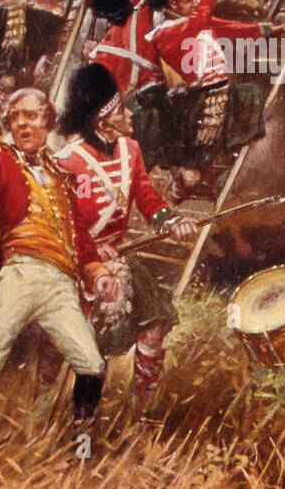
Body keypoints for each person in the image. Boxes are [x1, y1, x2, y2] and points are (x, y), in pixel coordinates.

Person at [0, 5, 116, 441]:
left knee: (91, 364)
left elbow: (81, 240)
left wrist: (99, 271)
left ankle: (81, 443)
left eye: (32, 116)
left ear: (48, 122)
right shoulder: (0, 162)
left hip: (59, 284)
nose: (23, 123)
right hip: (18, 275)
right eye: (15, 118)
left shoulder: (61, 176)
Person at [54, 64, 199, 408]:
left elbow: (147, 198)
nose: (130, 113)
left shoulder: (131, 150)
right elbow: (62, 225)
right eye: (121, 109)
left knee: (155, 326)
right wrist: (90, 256)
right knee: (91, 353)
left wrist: (170, 220)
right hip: (79, 266)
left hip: (121, 255)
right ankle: (81, 425)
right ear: (103, 122)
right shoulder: (65, 163)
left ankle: (144, 410)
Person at [138, 0, 285, 192]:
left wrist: (269, 30)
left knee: (251, 95)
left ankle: (218, 163)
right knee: (193, 173)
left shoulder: (195, 20)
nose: (193, 4)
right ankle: (178, 191)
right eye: (188, 1)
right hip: (198, 101)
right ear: (172, 4)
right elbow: (202, 18)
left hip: (222, 91)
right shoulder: (166, 33)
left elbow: (229, 28)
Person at [83, 0, 162, 97]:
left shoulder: (104, 52)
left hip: (149, 96)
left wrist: (90, 57)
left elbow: (107, 88)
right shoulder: (143, 7)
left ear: (100, 13)